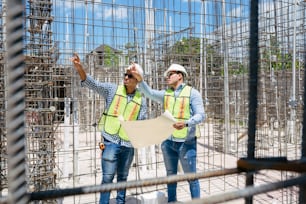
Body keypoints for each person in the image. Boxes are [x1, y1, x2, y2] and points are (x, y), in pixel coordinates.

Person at [71, 54, 147, 204]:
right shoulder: (112, 90)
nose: (125, 77)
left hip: (128, 144)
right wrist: (80, 68)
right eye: (125, 74)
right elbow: (91, 83)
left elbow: (141, 123)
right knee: (107, 178)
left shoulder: (141, 100)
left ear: (137, 80)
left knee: (123, 179)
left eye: (130, 75)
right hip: (110, 140)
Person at [131, 63, 205, 203]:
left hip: (186, 142)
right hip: (168, 142)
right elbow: (150, 93)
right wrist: (140, 80)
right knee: (171, 176)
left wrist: (186, 123)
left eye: (170, 74)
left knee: (191, 177)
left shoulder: (192, 93)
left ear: (180, 75)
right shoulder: (166, 94)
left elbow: (201, 115)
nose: (167, 77)